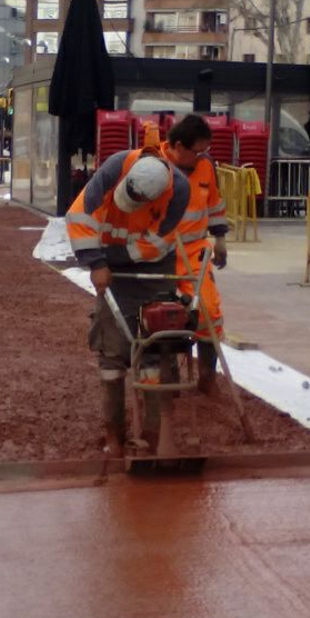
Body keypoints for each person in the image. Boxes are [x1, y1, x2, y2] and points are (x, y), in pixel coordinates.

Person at [66, 144, 190, 454]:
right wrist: (96, 262)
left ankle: (154, 434)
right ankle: (114, 436)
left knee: (155, 341)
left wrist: (109, 260)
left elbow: (156, 244)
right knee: (111, 345)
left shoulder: (179, 190)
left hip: (149, 266)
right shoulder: (115, 167)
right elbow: (80, 214)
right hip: (108, 264)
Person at [159, 114, 228, 394]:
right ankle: (168, 374)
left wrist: (220, 240)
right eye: (196, 152)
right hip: (159, 253)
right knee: (163, 315)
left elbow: (214, 204)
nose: (201, 157)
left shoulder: (205, 167)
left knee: (208, 313)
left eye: (204, 152)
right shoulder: (154, 166)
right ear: (177, 146)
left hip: (195, 252)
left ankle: (207, 378)